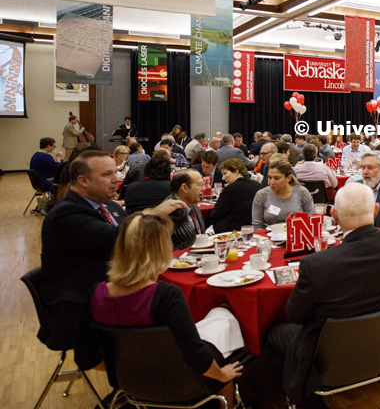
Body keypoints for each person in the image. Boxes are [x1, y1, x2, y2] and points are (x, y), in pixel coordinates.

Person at [263, 183, 380, 406]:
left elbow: (295, 315)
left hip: (328, 355)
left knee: (271, 334)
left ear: (333, 215)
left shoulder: (317, 264)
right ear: (376, 210)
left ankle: (304, 398)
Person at [74, 211, 243, 401]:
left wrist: (127, 368)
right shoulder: (165, 296)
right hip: (183, 383)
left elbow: (84, 357)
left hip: (129, 384)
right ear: (160, 250)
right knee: (225, 353)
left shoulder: (96, 295)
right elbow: (196, 355)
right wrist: (221, 374)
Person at [41, 150, 182, 348]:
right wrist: (156, 213)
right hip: (81, 307)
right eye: (107, 175)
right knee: (172, 301)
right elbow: (120, 239)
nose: (117, 179)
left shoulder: (107, 205)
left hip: (112, 289)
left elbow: (128, 232)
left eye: (115, 173)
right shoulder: (66, 214)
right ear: (83, 180)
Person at [251, 158, 314, 229]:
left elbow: (311, 220)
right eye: (269, 178)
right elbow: (257, 225)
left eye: (276, 178)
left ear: (288, 178)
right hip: (270, 237)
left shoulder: (302, 192)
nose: (271, 182)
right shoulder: (261, 195)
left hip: (297, 235)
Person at [209, 158, 264, 234]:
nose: (223, 178)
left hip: (231, 232)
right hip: (256, 229)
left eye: (225, 173)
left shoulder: (231, 189)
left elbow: (214, 215)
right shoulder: (258, 185)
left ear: (236, 172)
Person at [167, 169, 208, 236]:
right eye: (200, 184)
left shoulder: (192, 203)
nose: (203, 188)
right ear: (184, 188)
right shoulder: (169, 212)